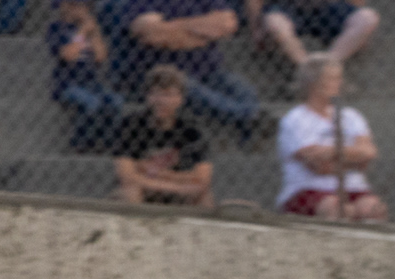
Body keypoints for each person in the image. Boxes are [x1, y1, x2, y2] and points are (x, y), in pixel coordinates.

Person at [111, 0, 264, 143]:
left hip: (208, 70)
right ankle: (248, 118)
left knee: (244, 90)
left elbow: (229, 23)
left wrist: (174, 28)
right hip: (162, 74)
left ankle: (248, 120)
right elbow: (154, 35)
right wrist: (202, 31)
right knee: (187, 88)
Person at [275, 54, 386, 220]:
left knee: (373, 209)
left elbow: (369, 154)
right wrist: (353, 160)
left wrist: (331, 151)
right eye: (332, 78)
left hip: (353, 187)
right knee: (338, 209)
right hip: (309, 189)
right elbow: (318, 166)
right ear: (314, 83)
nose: (339, 83)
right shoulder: (296, 119)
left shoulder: (351, 116)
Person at [112, 64, 213, 206]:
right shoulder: (131, 124)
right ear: (147, 97)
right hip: (147, 188)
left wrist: (151, 171)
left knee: (204, 197)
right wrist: (177, 185)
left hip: (171, 189)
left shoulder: (192, 128)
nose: (161, 101)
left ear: (180, 99)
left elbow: (202, 180)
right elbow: (127, 177)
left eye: (168, 94)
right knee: (129, 192)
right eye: (155, 93)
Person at [46, 1, 126, 152]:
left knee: (116, 101)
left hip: (92, 83)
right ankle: (82, 143)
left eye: (85, 6)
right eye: (76, 5)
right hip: (67, 83)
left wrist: (94, 32)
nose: (82, 10)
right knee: (91, 102)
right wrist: (82, 32)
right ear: (65, 6)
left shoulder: (89, 30)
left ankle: (109, 143)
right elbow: (68, 55)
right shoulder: (56, 28)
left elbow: (100, 57)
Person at [246, 1, 380, 67]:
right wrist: (256, 29)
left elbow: (357, 6)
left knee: (368, 18)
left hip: (328, 8)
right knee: (274, 22)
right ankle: (307, 67)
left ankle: (327, 65)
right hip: (288, 7)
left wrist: (360, 36)